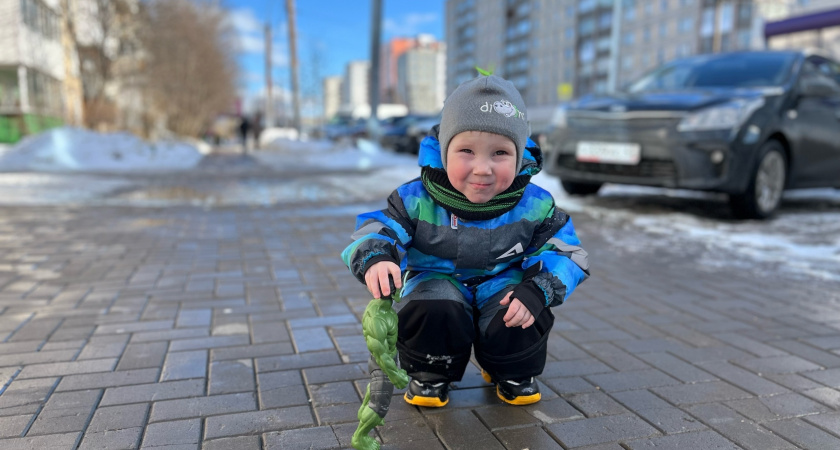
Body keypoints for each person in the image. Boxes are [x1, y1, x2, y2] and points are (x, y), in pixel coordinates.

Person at [341, 74, 590, 407]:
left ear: (519, 155)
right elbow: (378, 227)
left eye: (500, 152)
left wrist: (541, 287)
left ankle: (511, 369)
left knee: (520, 306)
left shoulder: (535, 203)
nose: (482, 168)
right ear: (445, 152)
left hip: (501, 284)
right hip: (437, 281)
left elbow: (567, 251)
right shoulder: (417, 198)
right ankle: (430, 373)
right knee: (435, 306)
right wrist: (377, 256)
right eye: (467, 151)